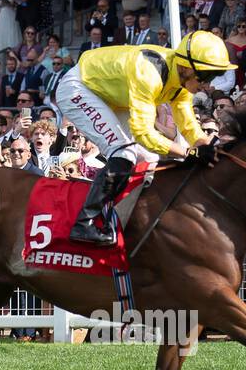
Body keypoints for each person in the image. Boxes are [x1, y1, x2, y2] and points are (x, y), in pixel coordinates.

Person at [52, 29, 233, 245]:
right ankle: (83, 223)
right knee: (124, 152)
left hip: (111, 96)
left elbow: (186, 120)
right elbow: (143, 133)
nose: (209, 84)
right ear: (186, 68)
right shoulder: (149, 72)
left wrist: (205, 143)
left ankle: (130, 221)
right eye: (205, 76)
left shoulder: (180, 77)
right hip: (79, 87)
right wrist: (188, 152)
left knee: (148, 159)